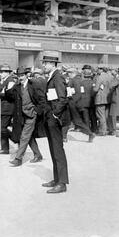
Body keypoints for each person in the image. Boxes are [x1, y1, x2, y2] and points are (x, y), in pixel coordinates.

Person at [41, 54, 69, 194]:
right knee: (53, 149)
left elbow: (63, 98)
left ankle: (62, 183)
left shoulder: (58, 77)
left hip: (54, 118)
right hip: (50, 118)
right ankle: (57, 179)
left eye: (45, 63)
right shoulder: (53, 76)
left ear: (52, 63)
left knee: (58, 150)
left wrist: (55, 114)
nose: (43, 66)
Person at [9, 67, 44, 167]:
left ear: (26, 75)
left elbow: (42, 99)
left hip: (31, 115)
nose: (20, 77)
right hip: (21, 115)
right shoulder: (17, 86)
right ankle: (38, 155)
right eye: (18, 76)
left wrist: (37, 111)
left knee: (24, 136)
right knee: (29, 136)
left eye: (22, 75)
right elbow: (9, 95)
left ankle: (18, 159)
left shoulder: (34, 85)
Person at [65, 68, 95, 142]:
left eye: (69, 73)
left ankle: (90, 133)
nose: (68, 74)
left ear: (73, 73)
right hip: (75, 102)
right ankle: (64, 136)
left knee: (75, 120)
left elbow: (78, 93)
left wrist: (73, 102)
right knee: (72, 120)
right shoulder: (79, 80)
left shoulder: (74, 80)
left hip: (72, 102)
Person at [0, 64, 15, 155]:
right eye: (1, 72)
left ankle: (15, 138)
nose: (1, 74)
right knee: (2, 128)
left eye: (2, 72)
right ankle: (4, 148)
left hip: (7, 108)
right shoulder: (5, 80)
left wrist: (0, 94)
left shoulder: (10, 81)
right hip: (3, 107)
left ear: (7, 73)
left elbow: (10, 94)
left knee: (3, 128)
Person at [93, 66, 113, 136]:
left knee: (101, 115)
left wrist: (93, 88)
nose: (97, 70)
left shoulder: (100, 77)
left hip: (100, 98)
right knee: (107, 115)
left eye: (98, 69)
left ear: (101, 69)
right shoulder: (111, 77)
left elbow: (95, 89)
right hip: (108, 98)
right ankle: (110, 129)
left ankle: (102, 131)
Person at [78, 65, 96, 133]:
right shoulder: (93, 82)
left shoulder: (81, 83)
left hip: (84, 101)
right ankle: (94, 129)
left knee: (86, 117)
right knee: (93, 116)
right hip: (92, 101)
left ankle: (87, 130)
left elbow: (80, 92)